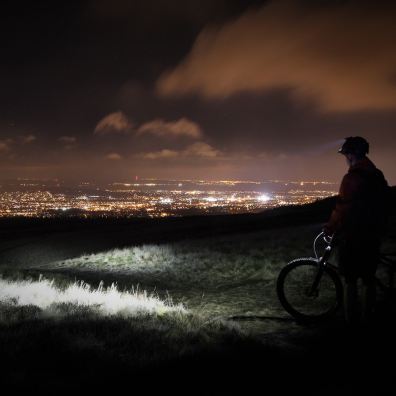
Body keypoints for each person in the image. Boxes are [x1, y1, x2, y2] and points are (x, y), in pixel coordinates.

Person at [324, 136, 390, 326]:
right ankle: (368, 318)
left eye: (346, 154)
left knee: (350, 280)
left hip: (352, 236)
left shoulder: (351, 178)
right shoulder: (377, 175)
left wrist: (330, 227)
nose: (345, 158)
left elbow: (342, 207)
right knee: (369, 279)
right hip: (373, 235)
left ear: (351, 155)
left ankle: (351, 323)